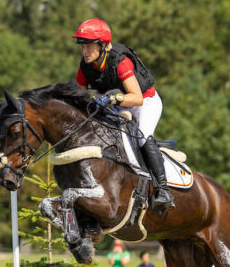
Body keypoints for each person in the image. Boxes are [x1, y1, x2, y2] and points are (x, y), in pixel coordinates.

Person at [72, 18, 174, 216]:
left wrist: (112, 98)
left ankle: (163, 190)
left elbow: (135, 98)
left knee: (143, 136)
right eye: (82, 46)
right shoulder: (85, 67)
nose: (84, 51)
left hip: (145, 101)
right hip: (118, 105)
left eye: (89, 46)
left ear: (102, 45)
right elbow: (79, 95)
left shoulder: (120, 61)